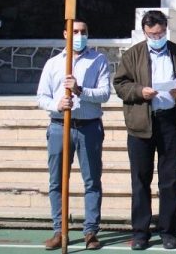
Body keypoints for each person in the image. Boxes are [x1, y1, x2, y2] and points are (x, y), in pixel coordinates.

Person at [114, 10, 176, 251]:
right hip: (141, 123)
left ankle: (168, 231)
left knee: (169, 180)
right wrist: (140, 92)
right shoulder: (132, 54)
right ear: (145, 32)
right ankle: (140, 232)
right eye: (153, 34)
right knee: (140, 180)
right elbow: (120, 84)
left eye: (161, 32)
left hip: (171, 122)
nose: (157, 37)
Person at [37, 20, 110, 251]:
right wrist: (58, 104)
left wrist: (80, 90)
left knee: (91, 181)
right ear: (66, 34)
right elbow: (41, 97)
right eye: (75, 32)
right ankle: (59, 230)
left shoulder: (98, 60)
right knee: (57, 180)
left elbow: (105, 93)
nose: (79, 35)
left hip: (88, 127)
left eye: (83, 32)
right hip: (60, 126)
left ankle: (90, 231)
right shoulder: (53, 64)